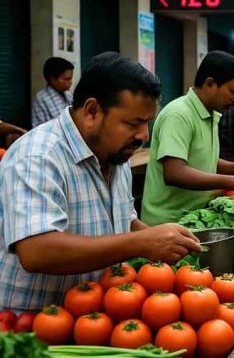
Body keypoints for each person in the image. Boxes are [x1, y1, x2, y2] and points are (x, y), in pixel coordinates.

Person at [0, 52, 200, 312]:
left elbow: (122, 219)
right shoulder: (38, 155)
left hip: (91, 319)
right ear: (92, 111)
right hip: (31, 326)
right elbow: (36, 249)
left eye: (147, 123)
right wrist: (142, 243)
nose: (143, 135)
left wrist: (160, 237)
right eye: (133, 123)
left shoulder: (115, 155)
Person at [141, 51, 234, 225]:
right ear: (210, 83)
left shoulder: (211, 114)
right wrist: (232, 182)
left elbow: (202, 160)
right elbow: (174, 172)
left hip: (195, 219)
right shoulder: (179, 114)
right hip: (168, 223)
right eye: (233, 91)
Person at [32, 57, 74, 127]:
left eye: (70, 79)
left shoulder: (69, 95)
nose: (70, 82)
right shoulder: (41, 99)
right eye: (66, 79)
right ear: (53, 79)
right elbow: (39, 128)